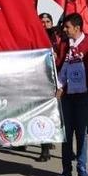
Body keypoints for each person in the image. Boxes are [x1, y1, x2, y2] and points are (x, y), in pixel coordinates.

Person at [55, 13, 88, 176]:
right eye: (64, 27)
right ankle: (66, 170)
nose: (65, 30)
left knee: (81, 133)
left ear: (77, 28)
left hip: (82, 96)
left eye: (68, 27)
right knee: (67, 133)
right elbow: (59, 66)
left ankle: (82, 168)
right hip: (66, 95)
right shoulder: (64, 44)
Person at [37, 12, 57, 163]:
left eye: (47, 21)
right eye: (41, 21)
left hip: (55, 80)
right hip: (38, 79)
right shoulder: (35, 36)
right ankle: (44, 149)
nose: (44, 24)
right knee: (41, 114)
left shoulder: (57, 37)